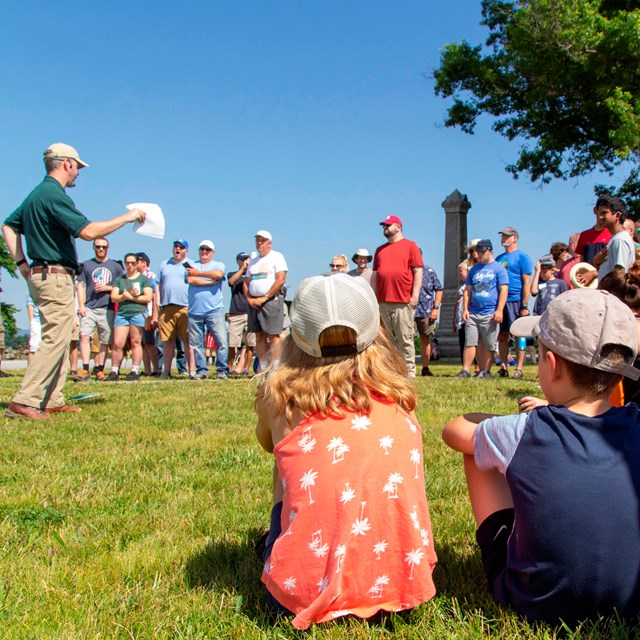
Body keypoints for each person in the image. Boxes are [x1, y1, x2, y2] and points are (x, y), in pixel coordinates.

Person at [442, 288, 640, 626]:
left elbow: (454, 430)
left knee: (477, 450)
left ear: (551, 365)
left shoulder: (525, 430)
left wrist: (511, 423)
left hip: (537, 601)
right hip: (632, 602)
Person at [255, 273, 437, 629]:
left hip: (303, 593)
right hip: (402, 585)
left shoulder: (281, 400)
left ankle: (283, 547)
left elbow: (268, 446)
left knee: (286, 461)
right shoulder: (400, 396)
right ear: (377, 330)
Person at [2, 142, 145, 420]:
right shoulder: (54, 196)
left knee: (65, 336)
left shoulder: (36, 195)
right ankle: (25, 400)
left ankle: (51, 398)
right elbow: (89, 232)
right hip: (54, 276)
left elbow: (8, 225)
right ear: (66, 163)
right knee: (56, 337)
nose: (78, 172)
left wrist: (22, 264)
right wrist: (128, 217)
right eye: (77, 167)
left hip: (46, 275)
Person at [373, 215, 423, 377]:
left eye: (388, 225)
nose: (385, 228)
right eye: (383, 226)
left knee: (404, 338)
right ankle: (389, 371)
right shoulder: (379, 250)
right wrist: (373, 297)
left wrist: (415, 295)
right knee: (386, 340)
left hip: (403, 300)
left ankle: (409, 372)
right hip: (382, 300)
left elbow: (418, 271)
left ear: (398, 227)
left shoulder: (411, 246)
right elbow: (375, 275)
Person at [457, 239, 508, 378]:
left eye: (481, 252)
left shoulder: (499, 269)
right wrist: (465, 309)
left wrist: (499, 310)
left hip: (490, 312)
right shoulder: (474, 269)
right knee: (470, 341)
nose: (478, 254)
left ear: (490, 251)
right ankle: (465, 370)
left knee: (489, 344)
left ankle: (486, 370)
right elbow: (467, 290)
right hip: (473, 312)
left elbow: (503, 290)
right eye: (477, 252)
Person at [75, 237, 123, 380]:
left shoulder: (116, 267)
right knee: (84, 336)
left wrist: (107, 288)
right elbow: (80, 285)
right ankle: (85, 368)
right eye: (97, 246)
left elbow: (121, 286)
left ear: (108, 248)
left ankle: (100, 369)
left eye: (103, 246)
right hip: (89, 306)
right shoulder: (86, 265)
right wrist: (81, 305)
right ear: (93, 248)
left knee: (104, 340)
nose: (100, 249)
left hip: (107, 307)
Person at [104, 253, 153, 381]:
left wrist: (131, 297)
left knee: (136, 342)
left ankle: (134, 370)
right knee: (117, 343)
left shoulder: (144, 279)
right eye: (127, 263)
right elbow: (114, 297)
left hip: (137, 313)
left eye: (132, 263)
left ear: (137, 263)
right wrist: (124, 297)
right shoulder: (119, 279)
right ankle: (114, 370)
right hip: (122, 314)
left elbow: (148, 297)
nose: (130, 265)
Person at [244, 230, 288, 370]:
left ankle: (275, 367)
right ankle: (263, 367)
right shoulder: (254, 262)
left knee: (274, 335)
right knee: (259, 335)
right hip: (254, 303)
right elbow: (246, 282)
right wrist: (250, 299)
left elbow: (280, 280)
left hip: (271, 300)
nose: (259, 243)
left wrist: (265, 297)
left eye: (262, 240)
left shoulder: (277, 257)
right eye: (257, 240)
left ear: (269, 242)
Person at [186, 239, 228, 380]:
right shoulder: (192, 265)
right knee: (196, 344)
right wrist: (209, 281)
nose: (204, 252)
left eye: (207, 250)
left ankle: (222, 369)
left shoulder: (218, 264)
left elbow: (219, 274)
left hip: (214, 310)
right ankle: (201, 370)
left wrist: (198, 274)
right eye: (202, 249)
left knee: (221, 341)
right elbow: (191, 280)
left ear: (212, 252)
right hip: (194, 310)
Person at [495, 227, 533, 379]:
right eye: (502, 236)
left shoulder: (522, 257)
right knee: (502, 335)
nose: (504, 238)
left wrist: (524, 305)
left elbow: (526, 282)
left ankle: (519, 368)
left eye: (507, 236)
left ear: (515, 238)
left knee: (519, 334)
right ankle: (503, 366)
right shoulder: (499, 258)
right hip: (501, 301)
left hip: (516, 300)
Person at [155, 239, 195, 378]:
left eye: (181, 247)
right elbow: (158, 286)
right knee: (167, 341)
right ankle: (166, 371)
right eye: (176, 246)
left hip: (186, 306)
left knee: (188, 341)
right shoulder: (164, 265)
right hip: (167, 307)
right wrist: (158, 305)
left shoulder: (191, 265)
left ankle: (192, 371)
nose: (178, 249)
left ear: (186, 250)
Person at [227, 251, 256, 377]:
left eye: (247, 259)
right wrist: (243, 269)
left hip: (250, 313)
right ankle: (229, 368)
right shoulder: (234, 274)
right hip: (236, 313)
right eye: (242, 259)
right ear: (238, 261)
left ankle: (245, 369)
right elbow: (231, 281)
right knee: (232, 344)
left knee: (250, 344)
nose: (245, 261)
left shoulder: (253, 276)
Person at [415, 263, 443, 376]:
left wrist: (436, 308)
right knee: (406, 340)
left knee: (425, 339)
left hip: (426, 310)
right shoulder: (405, 270)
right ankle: (407, 368)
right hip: (408, 309)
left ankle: (425, 368)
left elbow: (439, 289)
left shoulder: (429, 270)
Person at [136, 252, 159, 376]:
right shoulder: (136, 277)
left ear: (144, 263)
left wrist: (154, 315)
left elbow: (155, 295)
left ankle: (156, 369)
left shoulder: (150, 276)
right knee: (143, 344)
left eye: (137, 262)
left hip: (148, 313)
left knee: (149, 343)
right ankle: (147, 370)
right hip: (139, 313)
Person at [575, 198, 612, 266]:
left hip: (606, 275)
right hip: (587, 275)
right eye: (602, 212)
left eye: (606, 213)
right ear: (595, 210)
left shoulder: (612, 234)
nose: (603, 217)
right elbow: (582, 262)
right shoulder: (584, 235)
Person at [26, 291, 41, 364]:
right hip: (37, 321)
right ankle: (30, 373)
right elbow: (30, 304)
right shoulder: (32, 287)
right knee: (33, 348)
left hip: (50, 321)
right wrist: (32, 321)